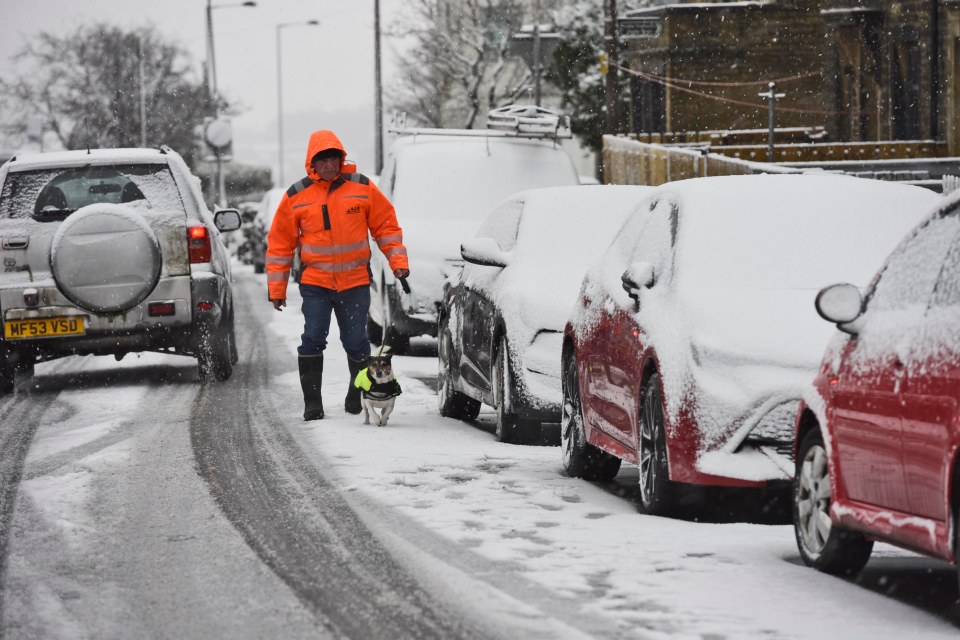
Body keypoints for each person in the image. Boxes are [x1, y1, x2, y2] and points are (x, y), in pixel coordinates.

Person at [266, 130, 409, 421]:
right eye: (323, 161)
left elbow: (386, 227)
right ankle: (313, 404)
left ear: (341, 160)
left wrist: (398, 261)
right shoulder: (296, 195)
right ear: (312, 164)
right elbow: (280, 245)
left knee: (356, 342)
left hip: (354, 282)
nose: (330, 166)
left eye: (334, 159)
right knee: (312, 338)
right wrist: (277, 288)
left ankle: (356, 392)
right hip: (315, 284)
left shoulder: (362, 187)